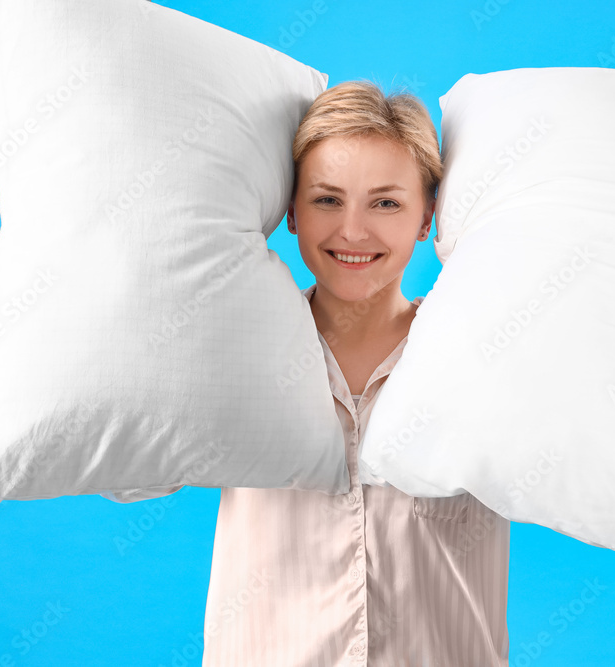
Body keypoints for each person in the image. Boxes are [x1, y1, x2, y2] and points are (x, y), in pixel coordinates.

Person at [104, 80, 511, 665]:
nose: (352, 231)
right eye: (327, 199)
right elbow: (128, 476)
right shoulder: (240, 347)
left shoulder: (482, 357)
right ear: (291, 212)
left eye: (386, 202)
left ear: (427, 218)